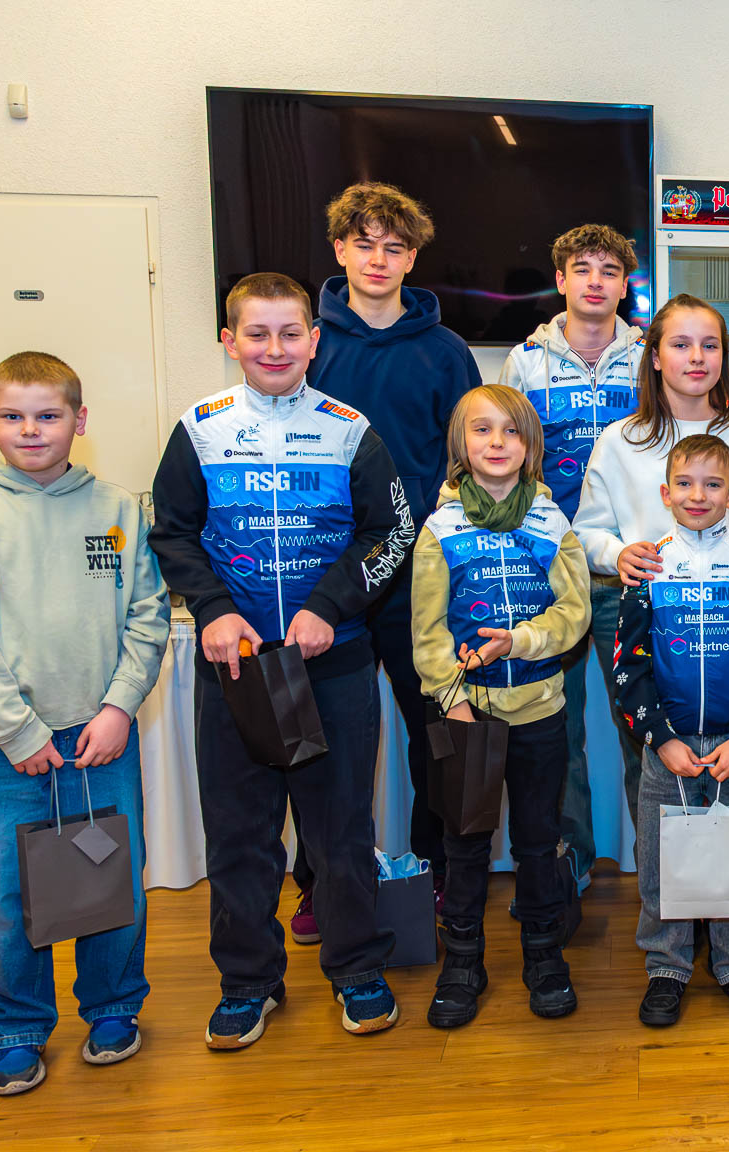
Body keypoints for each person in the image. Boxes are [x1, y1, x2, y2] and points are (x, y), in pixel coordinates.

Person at [150, 273, 416, 1048]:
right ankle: (247, 982)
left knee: (341, 832)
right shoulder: (199, 429)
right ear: (229, 342)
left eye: (290, 333)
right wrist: (213, 609)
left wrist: (329, 606)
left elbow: (392, 532)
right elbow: (171, 532)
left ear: (314, 340)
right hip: (234, 670)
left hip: (333, 665)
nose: (275, 348)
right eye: (257, 334)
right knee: (240, 836)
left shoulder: (349, 430)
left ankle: (356, 968)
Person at [0, 351, 171, 1096]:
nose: (31, 430)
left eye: (49, 415)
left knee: (110, 880)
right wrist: (17, 731)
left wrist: (120, 705)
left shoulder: (117, 510)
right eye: (13, 415)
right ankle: (15, 1031)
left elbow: (148, 613)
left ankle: (113, 1009)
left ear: (79, 421)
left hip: (100, 736)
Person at [298, 181, 481, 941]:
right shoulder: (308, 344)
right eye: (364, 244)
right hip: (328, 579)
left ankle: (435, 871)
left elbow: (470, 461)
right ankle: (322, 882)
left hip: (419, 580)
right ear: (340, 250)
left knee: (436, 734)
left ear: (412, 259)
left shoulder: (446, 352)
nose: (378, 259)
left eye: (394, 247)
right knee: (324, 742)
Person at [572, 293, 729, 817]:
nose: (696, 357)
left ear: (723, 357)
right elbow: (585, 533)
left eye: (710, 345)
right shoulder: (620, 440)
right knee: (650, 762)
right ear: (654, 357)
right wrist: (617, 553)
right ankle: (660, 867)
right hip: (649, 622)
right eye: (680, 345)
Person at [411, 384, 590, 1027]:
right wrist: (453, 702)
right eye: (482, 429)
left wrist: (521, 641)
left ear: (531, 446)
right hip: (467, 718)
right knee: (464, 845)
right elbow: (427, 632)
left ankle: (544, 955)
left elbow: (574, 612)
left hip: (540, 711)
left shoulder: (553, 523)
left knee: (539, 841)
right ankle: (463, 962)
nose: (497, 442)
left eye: (511, 430)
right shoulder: (438, 529)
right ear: (461, 444)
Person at [614, 434, 729, 1027]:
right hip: (666, 748)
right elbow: (628, 665)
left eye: (713, 484)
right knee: (660, 859)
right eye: (686, 484)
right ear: (665, 493)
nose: (699, 495)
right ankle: (666, 966)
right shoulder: (648, 569)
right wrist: (660, 738)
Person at [501, 224, 646, 894]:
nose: (595, 281)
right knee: (555, 734)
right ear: (560, 280)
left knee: (643, 725)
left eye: (609, 270)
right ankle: (569, 869)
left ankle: (663, 868)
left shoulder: (650, 358)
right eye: (582, 268)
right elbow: (506, 463)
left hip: (627, 572)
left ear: (625, 285)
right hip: (549, 578)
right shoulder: (525, 362)